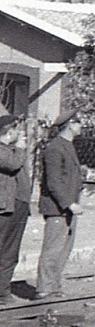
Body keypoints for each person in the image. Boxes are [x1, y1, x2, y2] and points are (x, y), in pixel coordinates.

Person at [36, 112, 84, 299]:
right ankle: (44, 288)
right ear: (70, 125)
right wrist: (69, 203)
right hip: (57, 208)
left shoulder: (67, 146)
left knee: (64, 248)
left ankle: (53, 286)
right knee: (53, 248)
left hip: (67, 206)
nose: (81, 125)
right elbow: (53, 182)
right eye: (78, 122)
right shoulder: (55, 148)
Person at [0, 115, 33, 303]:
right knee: (5, 250)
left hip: (15, 205)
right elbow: (12, 165)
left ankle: (3, 289)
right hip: (5, 207)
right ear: (9, 131)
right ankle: (2, 293)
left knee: (10, 251)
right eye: (17, 130)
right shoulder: (4, 151)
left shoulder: (10, 149)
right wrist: (20, 148)